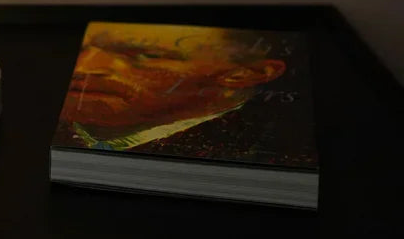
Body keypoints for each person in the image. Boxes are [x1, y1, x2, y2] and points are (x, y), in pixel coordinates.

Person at [56, 21, 287, 151]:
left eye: (145, 55)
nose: (83, 68)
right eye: (82, 49)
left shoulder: (266, 148)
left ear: (244, 74)